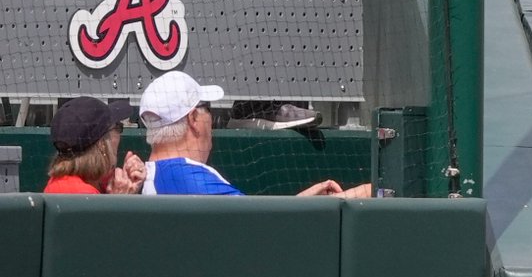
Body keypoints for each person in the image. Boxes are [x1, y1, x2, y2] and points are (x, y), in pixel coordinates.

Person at [137, 71, 369, 197]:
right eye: (206, 108)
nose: (211, 117)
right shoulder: (191, 178)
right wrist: (351, 198)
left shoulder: (145, 175)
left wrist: (305, 203)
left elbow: (257, 222)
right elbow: (258, 230)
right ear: (193, 120)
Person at [44, 96, 144, 194]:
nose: (120, 134)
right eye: (118, 127)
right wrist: (120, 201)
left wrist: (124, 181)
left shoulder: (66, 181)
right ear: (102, 144)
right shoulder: (81, 193)